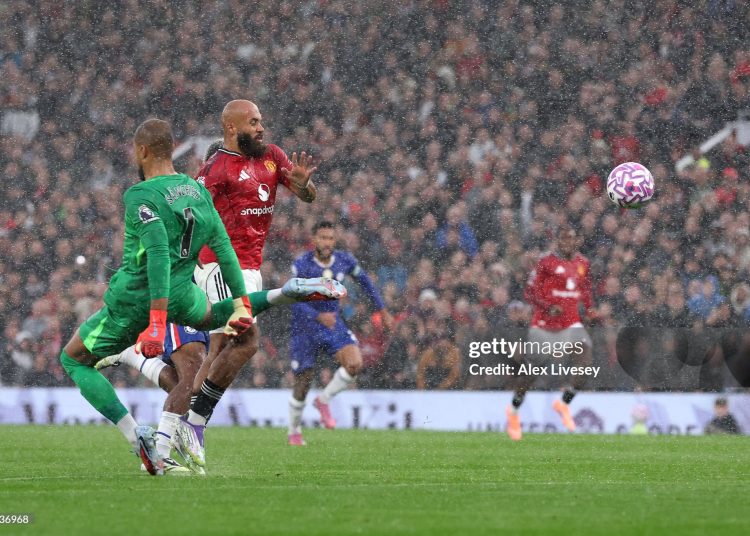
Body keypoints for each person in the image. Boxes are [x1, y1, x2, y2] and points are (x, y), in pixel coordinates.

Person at [95, 140, 343, 474]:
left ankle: (142, 378)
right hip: (185, 286)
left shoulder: (220, 190)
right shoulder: (197, 191)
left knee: (186, 375)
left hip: (206, 285)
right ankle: (185, 432)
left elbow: (302, 194)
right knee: (206, 362)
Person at [58, 118, 257, 475]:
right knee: (208, 327)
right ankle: (285, 294)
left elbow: (159, 254)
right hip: (185, 294)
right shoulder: (194, 189)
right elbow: (224, 247)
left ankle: (140, 440)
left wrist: (155, 324)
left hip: (136, 300)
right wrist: (242, 301)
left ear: (143, 150)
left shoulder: (139, 194)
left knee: (73, 359)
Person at [180, 100, 318, 460]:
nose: (261, 128)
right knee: (247, 339)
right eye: (254, 122)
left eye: (261, 121)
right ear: (231, 127)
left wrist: (304, 187)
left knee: (221, 348)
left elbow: (307, 196)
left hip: (250, 268)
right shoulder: (215, 169)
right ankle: (194, 423)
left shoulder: (272, 156)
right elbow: (188, 217)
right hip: (220, 266)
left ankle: (180, 426)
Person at [287, 221, 393, 445]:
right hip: (305, 327)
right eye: (323, 238)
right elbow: (292, 299)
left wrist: (382, 310)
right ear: (314, 239)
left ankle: (323, 400)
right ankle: (294, 430)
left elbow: (366, 283)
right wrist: (317, 316)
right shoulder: (302, 264)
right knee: (303, 381)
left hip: (333, 324)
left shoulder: (345, 261)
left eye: (331, 238)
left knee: (354, 364)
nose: (327, 242)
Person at [505, 224, 596, 441]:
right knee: (530, 374)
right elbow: (529, 292)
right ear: (557, 240)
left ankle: (563, 403)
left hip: (571, 323)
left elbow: (584, 289)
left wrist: (590, 309)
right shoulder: (546, 263)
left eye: (571, 238)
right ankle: (514, 410)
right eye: (563, 238)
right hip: (545, 324)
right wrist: (547, 306)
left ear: (577, 241)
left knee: (585, 365)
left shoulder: (583, 263)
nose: (567, 242)